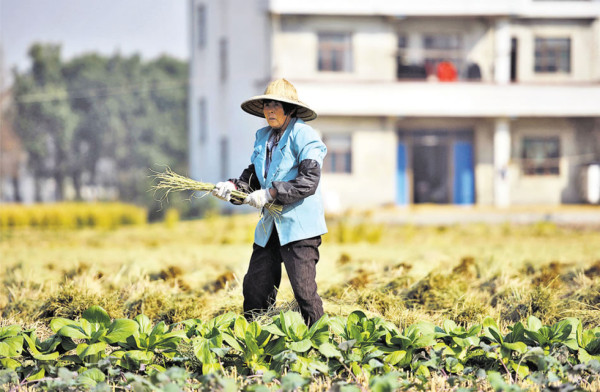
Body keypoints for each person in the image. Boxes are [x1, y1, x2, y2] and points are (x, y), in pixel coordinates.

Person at [211, 78, 327, 326]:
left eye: (276, 105)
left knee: (304, 294)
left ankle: (321, 343)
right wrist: (232, 187)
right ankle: (256, 340)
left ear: (290, 109)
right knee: (255, 289)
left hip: (299, 228)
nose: (270, 110)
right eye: (266, 105)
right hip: (270, 228)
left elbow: (309, 180)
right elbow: (252, 177)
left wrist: (271, 194)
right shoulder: (264, 137)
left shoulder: (304, 135)